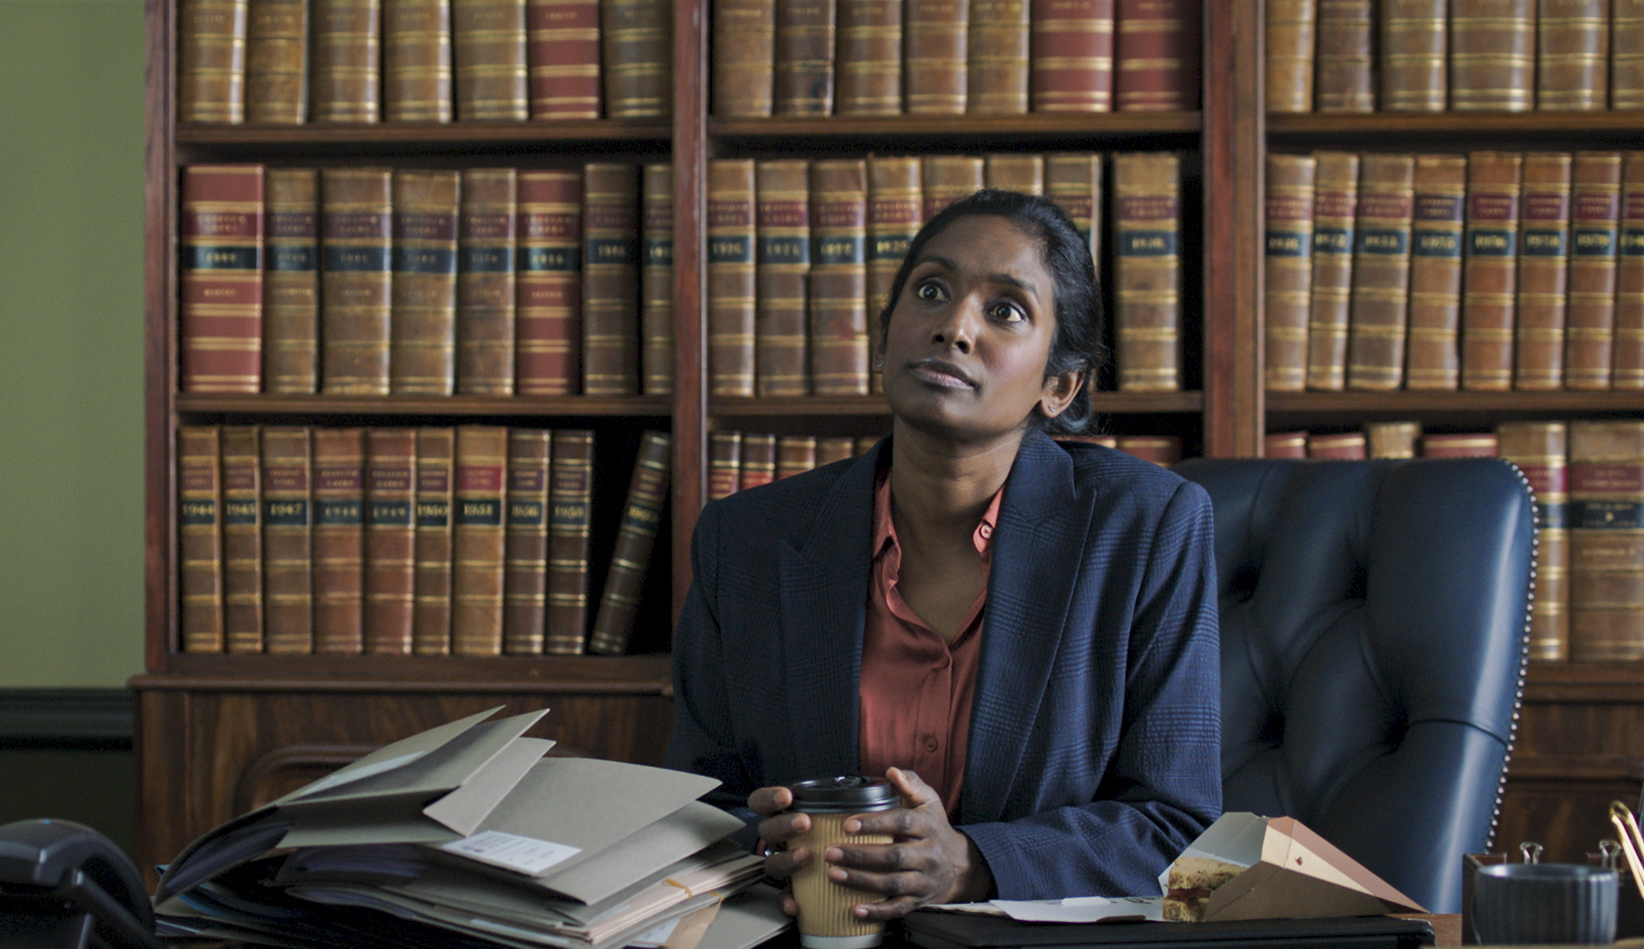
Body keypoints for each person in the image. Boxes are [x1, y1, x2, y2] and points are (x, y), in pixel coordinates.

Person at [664, 189, 1221, 922]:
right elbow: (695, 808)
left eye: (1006, 310)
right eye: (931, 291)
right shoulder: (746, 541)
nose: (954, 327)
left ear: (1060, 385)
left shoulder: (1145, 529)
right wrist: (766, 845)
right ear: (884, 337)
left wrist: (972, 863)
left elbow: (1178, 830)